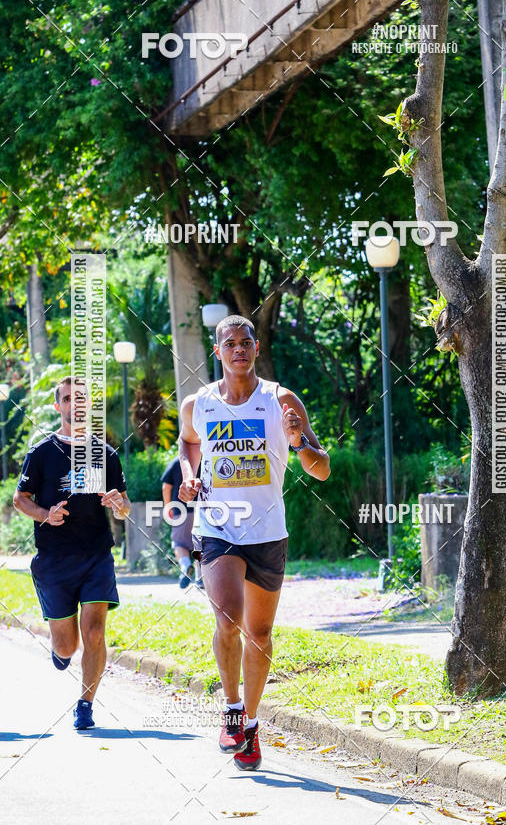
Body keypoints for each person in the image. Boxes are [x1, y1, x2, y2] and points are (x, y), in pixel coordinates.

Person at [178, 314, 330, 770]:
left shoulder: (280, 399)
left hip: (268, 533)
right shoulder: (198, 404)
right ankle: (229, 708)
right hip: (217, 526)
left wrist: (298, 441)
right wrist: (189, 476)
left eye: (246, 342)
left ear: (256, 349)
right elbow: (188, 444)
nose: (239, 349)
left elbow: (321, 468)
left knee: (259, 635)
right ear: (218, 352)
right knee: (228, 618)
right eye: (230, 343)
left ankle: (250, 721)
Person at [13, 376, 130, 730]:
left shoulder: (105, 453)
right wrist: (45, 515)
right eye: (67, 399)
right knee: (66, 647)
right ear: (58, 406)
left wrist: (118, 504)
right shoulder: (42, 452)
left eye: (81, 399)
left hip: (96, 555)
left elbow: (125, 507)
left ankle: (85, 704)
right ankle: (59, 649)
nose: (74, 405)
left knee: (95, 633)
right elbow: (21, 499)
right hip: (53, 559)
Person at [161, 456, 203, 589]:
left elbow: (166, 487)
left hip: (181, 509)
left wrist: (168, 507)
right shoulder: (204, 459)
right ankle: (199, 578)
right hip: (202, 509)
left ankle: (185, 566)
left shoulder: (176, 462)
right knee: (200, 544)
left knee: (179, 543)